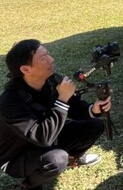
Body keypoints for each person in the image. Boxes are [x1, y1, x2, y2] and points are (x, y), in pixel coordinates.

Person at [0, 39, 111, 190]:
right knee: (57, 159)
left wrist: (93, 109)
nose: (51, 59)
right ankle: (29, 185)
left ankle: (73, 159)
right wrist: (62, 99)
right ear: (26, 70)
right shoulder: (10, 103)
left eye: (48, 54)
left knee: (94, 125)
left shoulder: (50, 81)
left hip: (46, 139)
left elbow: (74, 106)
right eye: (43, 58)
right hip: (15, 156)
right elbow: (42, 137)